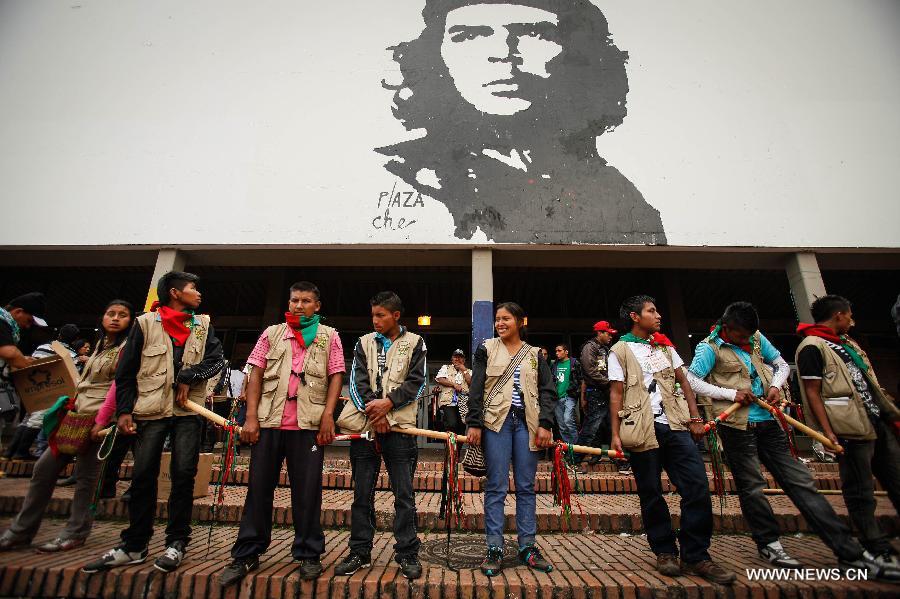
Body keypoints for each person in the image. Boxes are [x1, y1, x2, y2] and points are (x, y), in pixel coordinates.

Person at [377, 0, 665, 244]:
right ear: (435, 56)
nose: (503, 53)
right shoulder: (401, 172)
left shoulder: (615, 191)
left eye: (534, 34)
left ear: (575, 55)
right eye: (468, 36)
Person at [687, 301, 894, 578]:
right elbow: (692, 380)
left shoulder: (757, 338)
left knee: (801, 483)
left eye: (750, 336)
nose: (747, 341)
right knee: (752, 488)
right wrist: (730, 393)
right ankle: (769, 543)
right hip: (738, 427)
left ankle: (849, 551)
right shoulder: (708, 348)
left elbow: (781, 364)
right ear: (727, 328)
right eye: (740, 336)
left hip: (770, 421)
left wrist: (774, 385)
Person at [82, 271, 224, 573]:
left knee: (184, 475)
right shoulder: (144, 324)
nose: (198, 294)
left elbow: (216, 360)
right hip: (150, 411)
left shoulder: (202, 325)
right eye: (192, 288)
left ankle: (177, 542)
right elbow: (126, 373)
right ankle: (134, 544)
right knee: (143, 475)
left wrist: (189, 375)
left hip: (188, 412)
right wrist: (123, 411)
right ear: (175, 292)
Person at [220, 282, 345, 586]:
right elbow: (254, 374)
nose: (298, 306)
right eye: (294, 300)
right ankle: (247, 552)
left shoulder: (330, 336)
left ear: (317, 306)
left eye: (305, 301)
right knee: (258, 489)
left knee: (307, 493)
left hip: (308, 426)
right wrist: (250, 417)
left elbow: (336, 375)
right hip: (268, 422)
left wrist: (329, 416)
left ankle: (308, 553)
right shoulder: (272, 333)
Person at [609, 295, 734, 585]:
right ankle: (664, 551)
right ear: (634, 316)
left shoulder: (666, 346)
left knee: (697, 486)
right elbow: (616, 392)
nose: (658, 315)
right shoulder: (619, 349)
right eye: (651, 311)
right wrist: (615, 433)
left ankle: (696, 555)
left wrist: (695, 417)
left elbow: (684, 382)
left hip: (676, 425)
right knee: (650, 491)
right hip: (641, 427)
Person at [0, 301, 134, 552]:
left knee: (87, 478)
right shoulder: (99, 347)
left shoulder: (127, 348)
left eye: (123, 315)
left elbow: (120, 385)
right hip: (75, 416)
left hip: (99, 419)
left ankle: (76, 531)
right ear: (102, 318)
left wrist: (103, 421)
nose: (115, 319)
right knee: (43, 470)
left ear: (130, 321)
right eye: (110, 314)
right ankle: (21, 530)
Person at [795, 295, 900, 571]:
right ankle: (874, 545)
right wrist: (828, 432)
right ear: (839, 315)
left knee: (896, 479)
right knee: (861, 491)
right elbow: (812, 392)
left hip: (874, 421)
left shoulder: (846, 345)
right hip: (848, 428)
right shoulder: (811, 347)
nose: (851, 321)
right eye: (849, 315)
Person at [333, 291, 426, 580]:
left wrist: (388, 405)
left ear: (396, 316)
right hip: (365, 429)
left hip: (400, 430)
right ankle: (359, 551)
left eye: (381, 315)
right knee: (362, 494)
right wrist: (377, 415)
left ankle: (407, 553)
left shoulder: (416, 343)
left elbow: (417, 384)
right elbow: (357, 383)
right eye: (373, 315)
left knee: (404, 495)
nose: (375, 320)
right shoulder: (362, 343)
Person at [466, 302, 556, 576]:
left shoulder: (534, 354)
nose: (500, 323)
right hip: (496, 423)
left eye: (506, 318)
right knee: (496, 487)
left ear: (520, 321)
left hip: (527, 425)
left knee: (527, 487)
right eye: (497, 319)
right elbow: (477, 387)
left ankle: (527, 547)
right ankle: (494, 548)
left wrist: (545, 424)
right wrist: (474, 423)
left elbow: (547, 391)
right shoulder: (486, 349)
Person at [4, 323, 80, 460]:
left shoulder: (42, 347)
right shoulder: (72, 355)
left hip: (33, 389)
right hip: (53, 391)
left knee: (27, 419)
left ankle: (9, 452)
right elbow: (74, 375)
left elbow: (29, 364)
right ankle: (20, 453)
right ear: (74, 340)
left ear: (59, 335)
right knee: (37, 421)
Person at [578, 320, 628, 470]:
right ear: (600, 333)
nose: (611, 336)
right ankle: (573, 457)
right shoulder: (589, 348)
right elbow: (590, 372)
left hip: (606, 392)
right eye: (608, 333)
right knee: (591, 427)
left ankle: (618, 459)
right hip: (596, 392)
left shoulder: (605, 349)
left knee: (610, 426)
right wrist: (609, 383)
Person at [0, 293, 45, 452]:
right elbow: (9, 353)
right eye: (29, 321)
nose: (27, 326)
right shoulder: (2, 321)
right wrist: (24, 362)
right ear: (19, 312)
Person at [434, 348, 472, 434]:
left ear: (464, 360)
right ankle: (449, 446)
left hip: (463, 403)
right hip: (449, 402)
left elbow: (471, 383)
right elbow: (440, 379)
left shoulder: (469, 371)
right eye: (455, 357)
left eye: (460, 357)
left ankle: (456, 448)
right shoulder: (445, 368)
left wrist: (464, 370)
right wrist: (454, 385)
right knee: (452, 425)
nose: (457, 359)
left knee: (462, 428)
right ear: (452, 359)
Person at [550, 343, 580, 446]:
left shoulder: (574, 363)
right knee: (562, 426)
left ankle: (576, 448)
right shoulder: (554, 364)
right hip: (557, 398)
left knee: (568, 420)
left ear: (566, 352)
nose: (557, 353)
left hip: (569, 396)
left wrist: (578, 392)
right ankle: (568, 449)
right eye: (556, 351)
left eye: (559, 350)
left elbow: (580, 379)